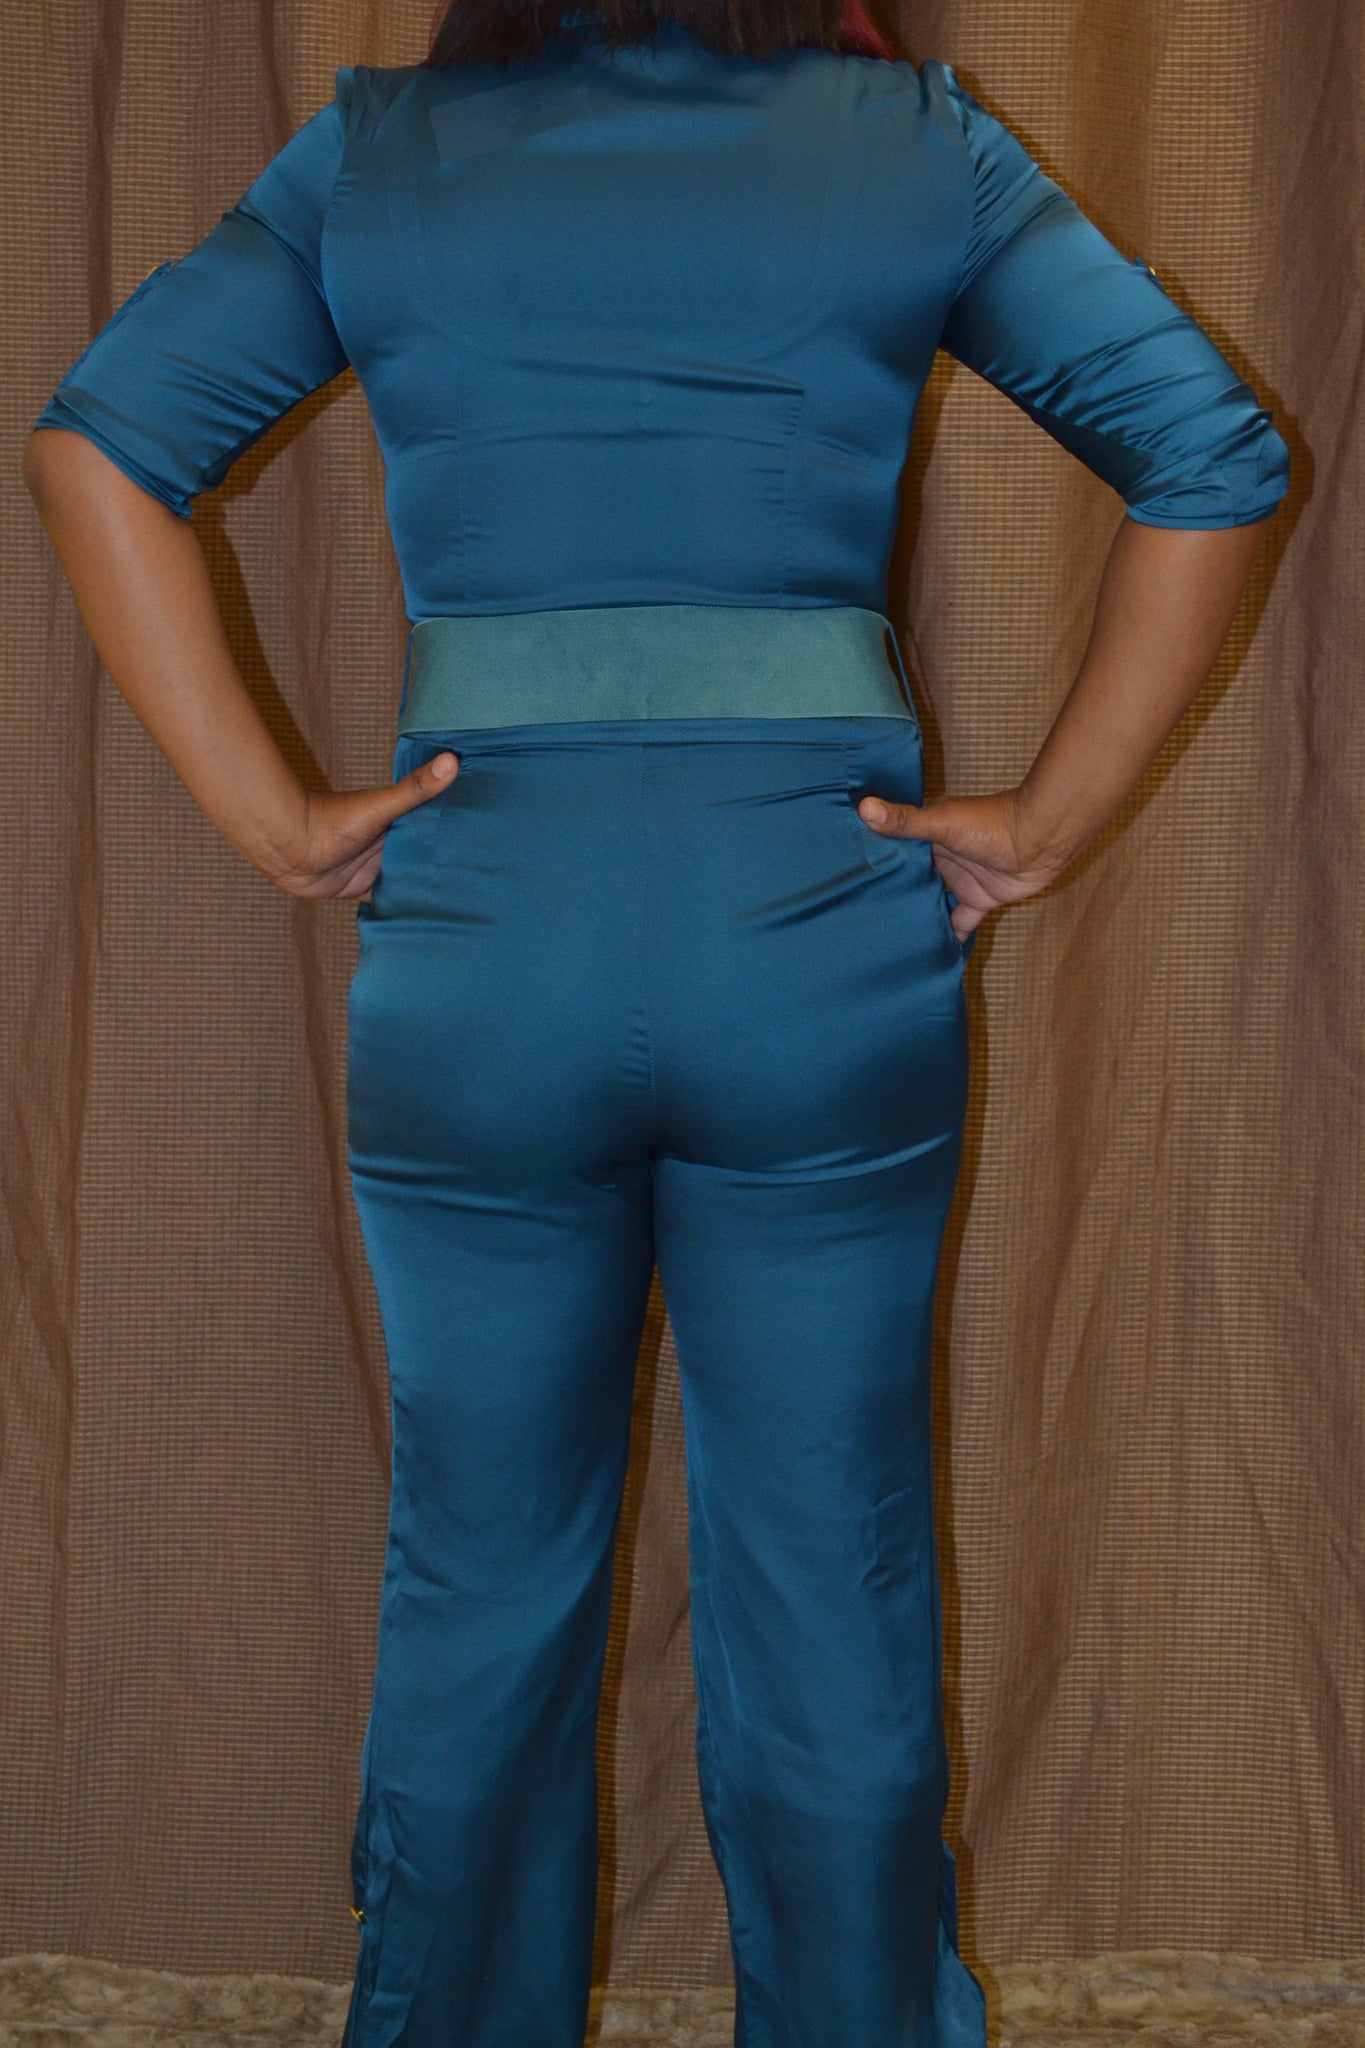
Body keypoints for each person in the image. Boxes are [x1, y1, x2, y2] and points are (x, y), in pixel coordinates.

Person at [21, 0, 1289, 2041]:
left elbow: (97, 442)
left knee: (478, 1584)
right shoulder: (910, 144)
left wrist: (276, 818)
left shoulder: (383, 152)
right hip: (808, 946)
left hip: (487, 946)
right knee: (829, 1574)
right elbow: (1209, 454)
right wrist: (1046, 823)